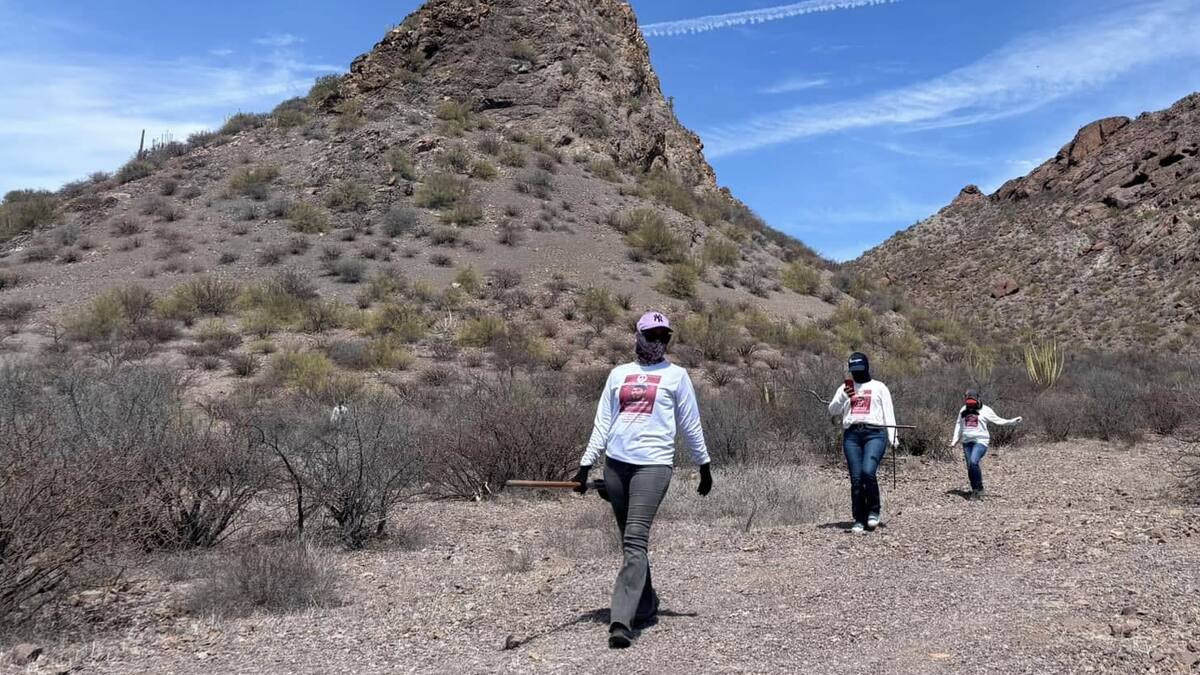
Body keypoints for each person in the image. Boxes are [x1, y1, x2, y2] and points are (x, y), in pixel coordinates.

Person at [574, 311, 713, 649]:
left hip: (653, 466)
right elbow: (603, 422)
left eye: (664, 337)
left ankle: (621, 621)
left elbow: (690, 423)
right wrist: (585, 464)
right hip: (616, 466)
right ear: (637, 336)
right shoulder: (618, 374)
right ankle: (647, 604)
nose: (658, 342)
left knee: (635, 539)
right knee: (630, 542)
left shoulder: (677, 376)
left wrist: (703, 464)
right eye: (652, 336)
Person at [827, 352, 898, 534]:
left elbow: (888, 412)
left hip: (874, 434)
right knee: (856, 478)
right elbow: (833, 410)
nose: (856, 373)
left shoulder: (879, 387)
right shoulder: (845, 387)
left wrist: (893, 437)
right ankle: (859, 518)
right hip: (852, 435)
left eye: (860, 369)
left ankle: (874, 511)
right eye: (853, 370)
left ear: (866, 367)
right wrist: (844, 396)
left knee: (868, 472)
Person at [948, 389, 1022, 500]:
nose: (970, 404)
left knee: (973, 461)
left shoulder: (986, 410)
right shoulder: (963, 410)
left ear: (978, 399)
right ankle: (975, 489)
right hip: (967, 442)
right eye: (968, 401)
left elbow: (998, 420)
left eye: (972, 401)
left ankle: (979, 490)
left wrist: (1012, 421)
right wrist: (954, 441)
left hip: (981, 441)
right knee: (970, 467)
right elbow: (959, 425)